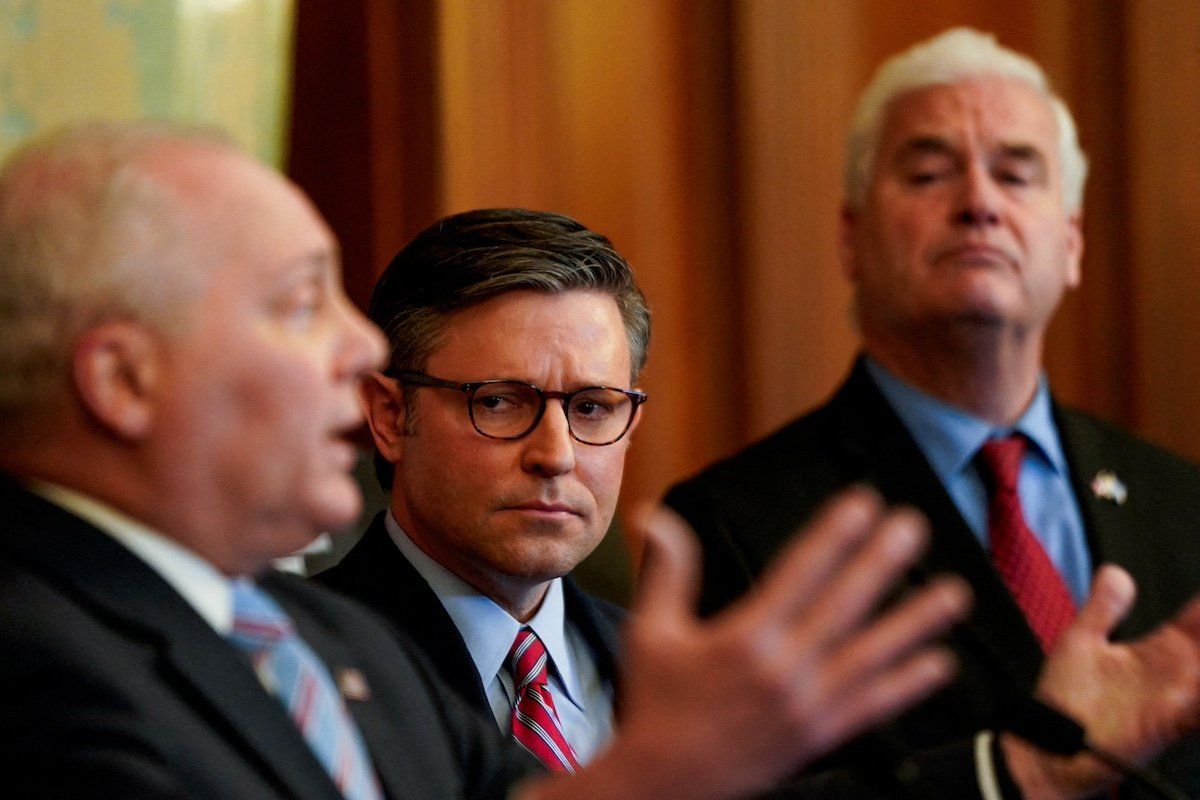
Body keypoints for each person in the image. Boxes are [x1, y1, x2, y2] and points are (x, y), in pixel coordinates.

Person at [0, 121, 970, 800]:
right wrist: (658, 774)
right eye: (301, 303)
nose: (357, 347)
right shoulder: (30, 658)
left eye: (593, 406)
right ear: (124, 379)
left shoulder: (328, 643)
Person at [666, 27, 1200, 800]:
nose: (979, 202)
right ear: (850, 238)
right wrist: (1011, 776)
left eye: (1017, 175)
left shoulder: (1184, 506)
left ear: (1073, 244)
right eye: (928, 173)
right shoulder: (737, 528)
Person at [318, 209, 640, 767]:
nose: (556, 455)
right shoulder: (297, 661)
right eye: (497, 401)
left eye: (591, 408)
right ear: (391, 417)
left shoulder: (671, 680)